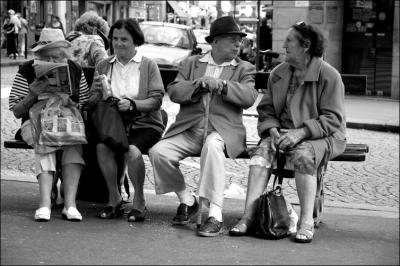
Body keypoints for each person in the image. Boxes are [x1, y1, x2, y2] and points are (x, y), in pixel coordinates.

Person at [228, 21, 346, 243]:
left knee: (303, 155)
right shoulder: (279, 73)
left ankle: (305, 222)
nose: (284, 45)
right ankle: (248, 216)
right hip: (282, 132)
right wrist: (271, 130)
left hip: (322, 136)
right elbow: (266, 109)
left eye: (289, 40)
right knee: (260, 156)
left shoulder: (329, 75)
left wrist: (300, 133)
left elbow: (333, 119)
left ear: (306, 45)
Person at [149, 16, 258, 237]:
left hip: (223, 132)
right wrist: (198, 85)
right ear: (215, 42)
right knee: (158, 152)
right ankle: (188, 201)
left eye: (240, 41)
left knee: (212, 145)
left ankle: (215, 214)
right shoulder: (191, 63)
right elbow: (175, 91)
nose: (238, 45)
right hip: (189, 129)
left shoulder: (244, 68)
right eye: (232, 40)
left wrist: (224, 85)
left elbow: (249, 96)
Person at [8, 28, 90, 222]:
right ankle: (45, 203)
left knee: (72, 141)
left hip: (65, 119)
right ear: (40, 56)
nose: (53, 63)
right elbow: (16, 109)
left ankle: (70, 204)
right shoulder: (27, 69)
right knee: (43, 138)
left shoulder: (74, 69)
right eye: (49, 58)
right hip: (34, 122)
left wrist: (73, 102)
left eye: (57, 58)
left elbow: (85, 104)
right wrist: (33, 94)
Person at [92, 18, 165, 221]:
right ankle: (114, 197)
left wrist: (133, 104)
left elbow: (156, 99)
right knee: (101, 148)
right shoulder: (104, 65)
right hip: (114, 124)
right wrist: (97, 93)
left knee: (132, 151)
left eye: (124, 39)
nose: (118, 43)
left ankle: (139, 200)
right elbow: (90, 102)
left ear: (135, 40)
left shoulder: (148, 65)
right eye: (115, 38)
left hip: (145, 123)